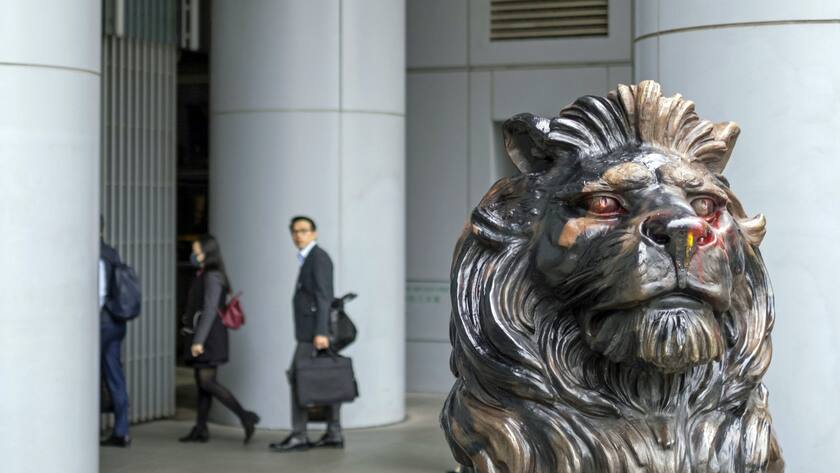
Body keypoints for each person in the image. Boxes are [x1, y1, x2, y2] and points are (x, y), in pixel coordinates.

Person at [270, 216, 342, 452]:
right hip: (311, 332)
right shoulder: (309, 258)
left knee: (298, 378)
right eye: (295, 231)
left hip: (313, 333)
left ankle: (300, 435)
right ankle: (333, 433)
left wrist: (321, 332)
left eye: (304, 230)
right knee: (325, 379)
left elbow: (324, 296)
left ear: (314, 233)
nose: (298, 235)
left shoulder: (318, 258)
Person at [179, 234, 260, 444]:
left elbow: (210, 310)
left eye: (197, 251)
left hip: (209, 337)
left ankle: (245, 417)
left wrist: (199, 341)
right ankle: (201, 428)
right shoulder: (205, 273)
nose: (194, 255)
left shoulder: (213, 276)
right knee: (202, 382)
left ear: (208, 252)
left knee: (207, 381)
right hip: (205, 334)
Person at [100, 217, 131, 447]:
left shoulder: (96, 253)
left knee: (86, 375)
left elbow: (100, 294)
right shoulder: (112, 252)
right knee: (114, 375)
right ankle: (122, 431)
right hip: (116, 322)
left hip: (101, 323)